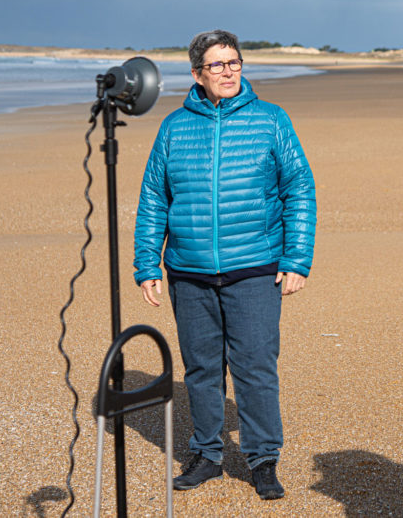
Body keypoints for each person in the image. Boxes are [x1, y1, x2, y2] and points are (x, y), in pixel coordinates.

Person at [133, 29, 316, 501]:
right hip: (189, 271)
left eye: (234, 62)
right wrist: (147, 263)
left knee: (255, 366)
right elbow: (154, 196)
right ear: (197, 73)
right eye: (217, 65)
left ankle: (262, 459)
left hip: (255, 266)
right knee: (201, 368)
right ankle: (208, 454)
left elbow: (299, 189)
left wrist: (297, 258)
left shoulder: (271, 120)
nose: (229, 71)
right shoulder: (174, 126)